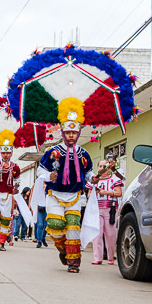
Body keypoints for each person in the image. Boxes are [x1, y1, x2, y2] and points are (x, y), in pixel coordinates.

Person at [37, 108, 98, 272]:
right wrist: (50, 176)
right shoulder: (52, 152)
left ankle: (74, 262)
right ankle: (63, 249)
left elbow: (88, 173)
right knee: (55, 225)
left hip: (75, 196)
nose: (71, 135)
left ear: (78, 134)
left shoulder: (84, 153)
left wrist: (94, 179)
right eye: (68, 132)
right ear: (63, 133)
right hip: (55, 195)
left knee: (73, 229)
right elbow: (40, 171)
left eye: (74, 132)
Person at [91, 160, 123, 265]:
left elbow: (119, 193)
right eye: (100, 166)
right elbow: (88, 195)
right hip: (97, 209)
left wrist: (107, 192)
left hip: (110, 209)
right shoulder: (95, 180)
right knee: (97, 234)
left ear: (108, 168)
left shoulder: (114, 179)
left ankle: (110, 257)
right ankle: (98, 257)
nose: (102, 168)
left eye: (104, 166)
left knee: (110, 234)